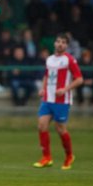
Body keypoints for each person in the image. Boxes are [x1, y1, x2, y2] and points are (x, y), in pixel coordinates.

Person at [33, 33, 83, 170]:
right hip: (47, 99)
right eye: (58, 41)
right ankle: (46, 157)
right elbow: (47, 76)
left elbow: (79, 79)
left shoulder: (69, 60)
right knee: (41, 125)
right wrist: (43, 89)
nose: (60, 44)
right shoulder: (49, 59)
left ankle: (69, 156)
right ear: (55, 43)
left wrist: (65, 89)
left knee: (60, 129)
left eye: (63, 42)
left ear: (66, 45)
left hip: (62, 100)